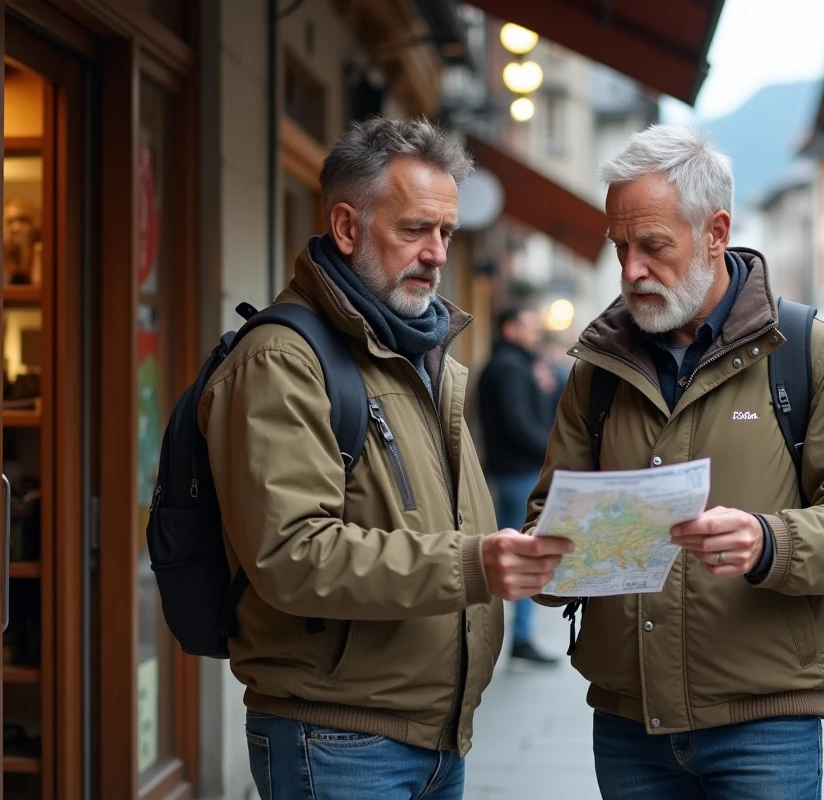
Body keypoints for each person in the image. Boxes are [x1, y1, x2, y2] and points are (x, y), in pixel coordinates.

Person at [527, 125, 824, 800]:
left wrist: (771, 541)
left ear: (715, 232)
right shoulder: (597, 370)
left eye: (652, 246)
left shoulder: (812, 352)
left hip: (765, 723)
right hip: (627, 721)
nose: (630, 270)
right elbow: (547, 521)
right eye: (620, 247)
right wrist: (543, 558)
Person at [199, 118, 573, 800]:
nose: (437, 253)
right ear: (347, 228)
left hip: (433, 736)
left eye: (447, 232)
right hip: (336, 739)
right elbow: (291, 554)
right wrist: (475, 564)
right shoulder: (283, 359)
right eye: (415, 229)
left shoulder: (419, 350)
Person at [477, 306, 560, 664]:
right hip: (518, 473)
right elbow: (518, 423)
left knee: (508, 552)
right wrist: (555, 453)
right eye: (529, 325)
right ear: (509, 329)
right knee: (524, 553)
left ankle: (512, 637)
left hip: (512, 471)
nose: (536, 332)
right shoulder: (509, 367)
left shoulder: (514, 364)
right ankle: (520, 638)